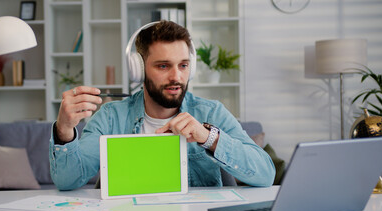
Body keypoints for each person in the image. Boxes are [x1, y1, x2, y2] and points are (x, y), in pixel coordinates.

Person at [49, 20, 275, 190]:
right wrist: (64, 129)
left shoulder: (211, 112)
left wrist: (209, 137)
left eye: (184, 65)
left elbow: (266, 175)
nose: (176, 76)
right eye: (163, 66)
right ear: (139, 68)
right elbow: (67, 181)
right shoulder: (111, 117)